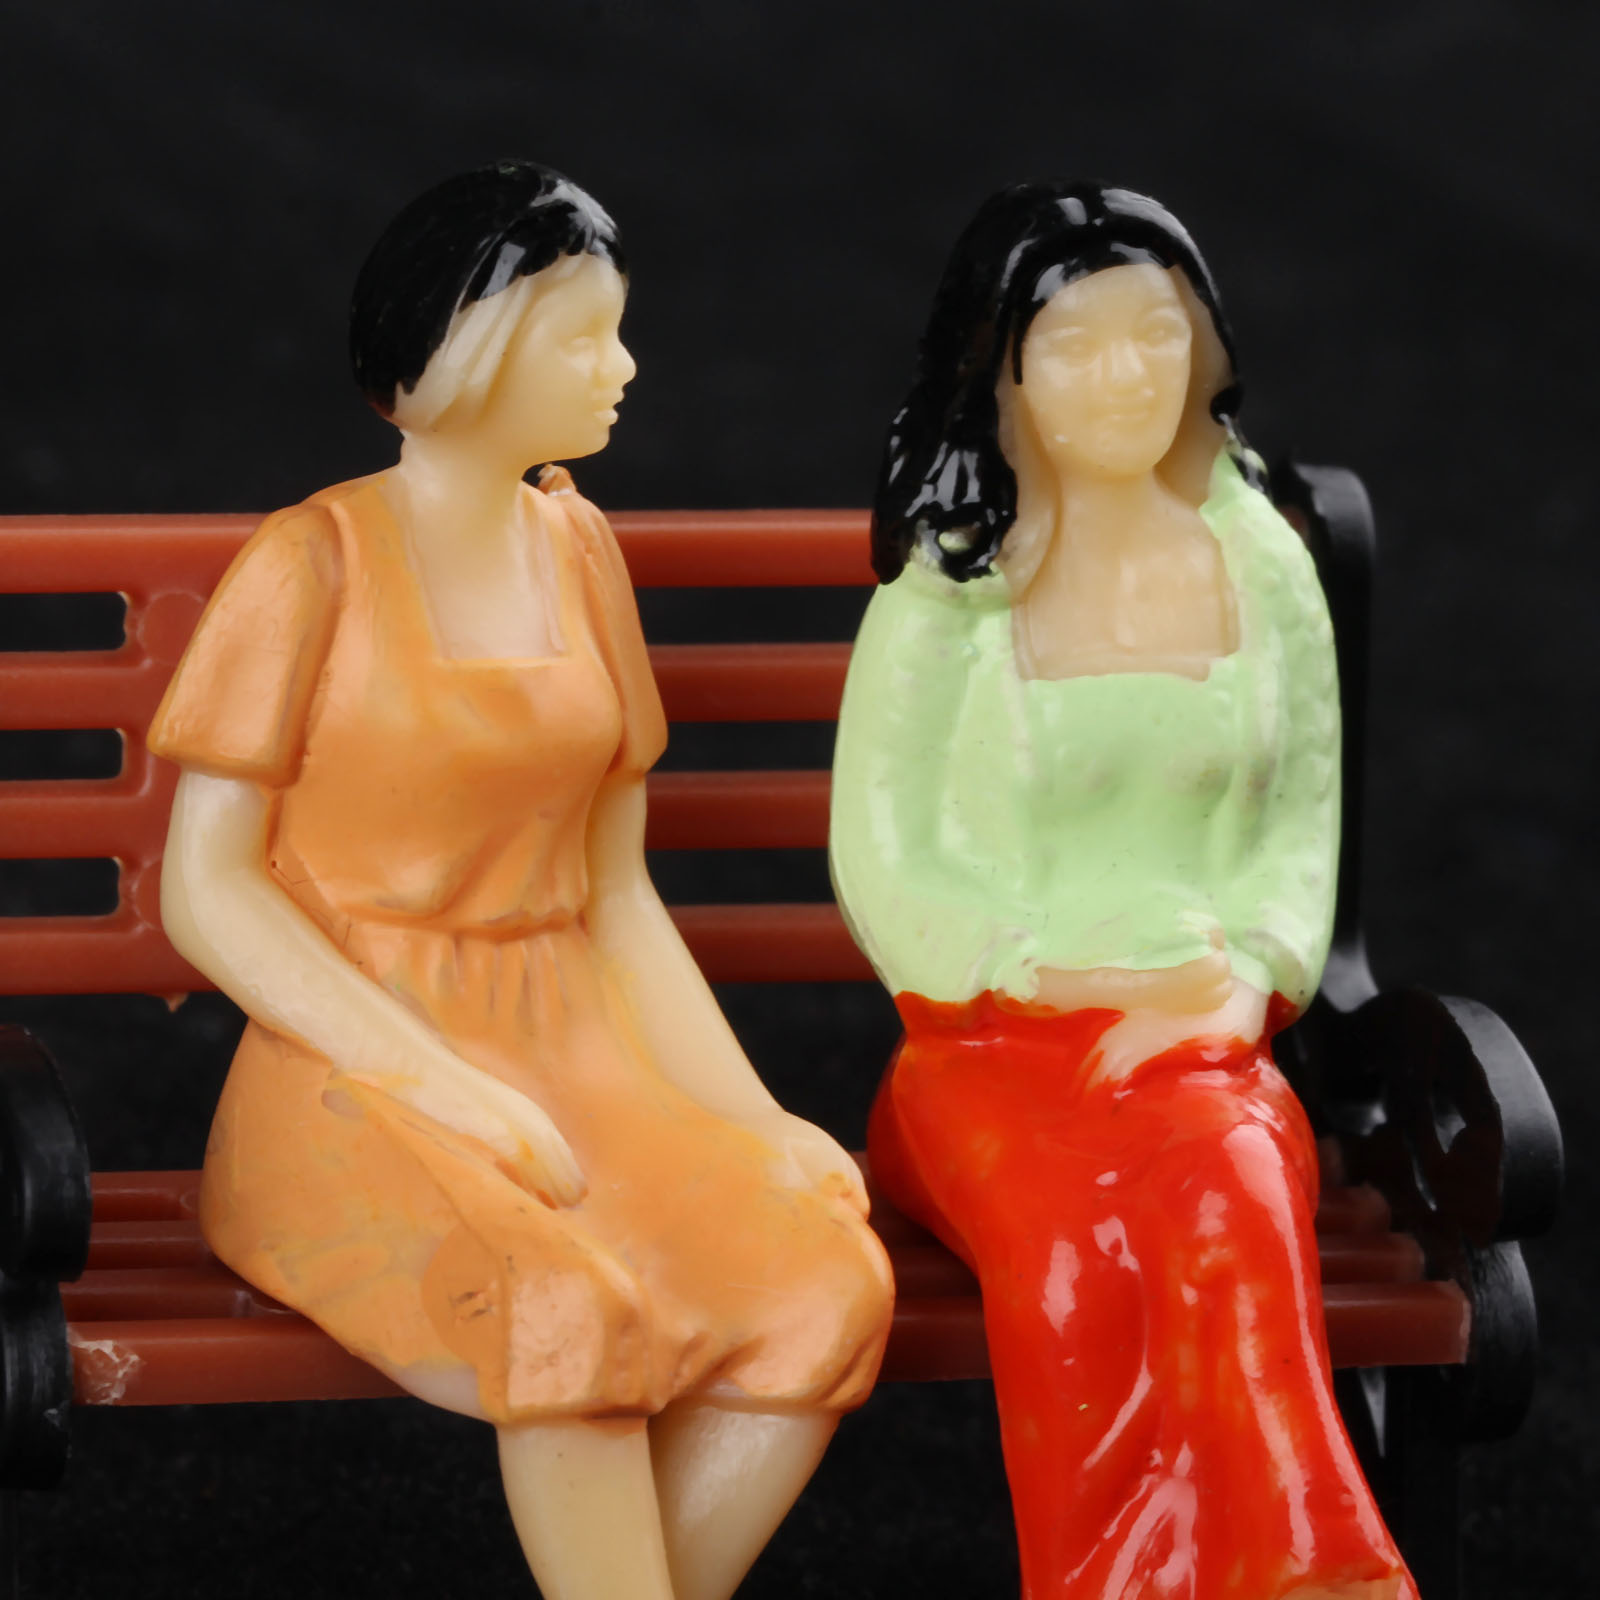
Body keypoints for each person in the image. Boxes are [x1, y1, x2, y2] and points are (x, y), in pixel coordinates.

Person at [152, 159, 891, 1600]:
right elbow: (211, 889)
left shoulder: (581, 549)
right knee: (565, 1309)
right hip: (350, 1072)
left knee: (824, 1282)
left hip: (578, 1053)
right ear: (470, 349)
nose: (625, 366)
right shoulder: (310, 564)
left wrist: (754, 1118)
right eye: (583, 336)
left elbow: (617, 893)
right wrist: (444, 1087)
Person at [830, 182, 1414, 1600]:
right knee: (1072, 1262)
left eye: (1157, 334)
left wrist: (1237, 987)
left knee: (1231, 1181)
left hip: (1204, 1045)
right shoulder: (950, 588)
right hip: (988, 1051)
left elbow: (1299, 834)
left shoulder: (1261, 560)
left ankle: (1309, 1569)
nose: (1127, 375)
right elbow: (882, 855)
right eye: (1076, 345)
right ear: (1004, 372)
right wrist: (1053, 971)